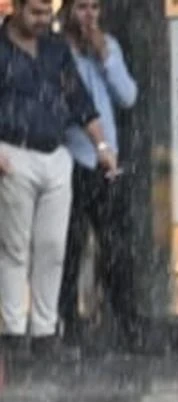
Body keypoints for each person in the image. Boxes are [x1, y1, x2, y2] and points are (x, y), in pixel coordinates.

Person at [0, 0, 117, 362]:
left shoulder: (55, 49)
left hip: (55, 151)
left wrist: (101, 144)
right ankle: (13, 330)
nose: (41, 21)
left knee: (53, 246)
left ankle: (45, 330)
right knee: (15, 246)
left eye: (46, 14)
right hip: (13, 151)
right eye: (34, 13)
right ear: (16, 9)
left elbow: (78, 98)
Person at [58, 0, 138, 351]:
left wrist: (105, 54)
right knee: (69, 247)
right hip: (72, 158)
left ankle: (125, 320)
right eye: (81, 8)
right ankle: (68, 322)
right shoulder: (57, 51)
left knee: (117, 246)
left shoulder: (109, 48)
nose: (88, 16)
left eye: (93, 8)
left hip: (107, 164)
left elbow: (128, 96)